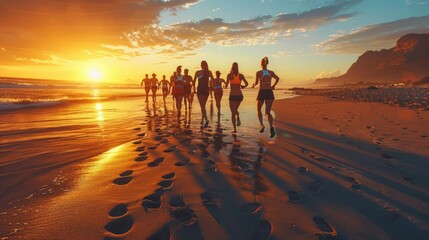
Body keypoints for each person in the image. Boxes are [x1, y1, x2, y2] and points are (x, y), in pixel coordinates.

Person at [252, 56, 280, 138]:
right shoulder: (271, 72)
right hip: (269, 92)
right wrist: (273, 85)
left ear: (261, 64)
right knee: (267, 112)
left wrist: (253, 85)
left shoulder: (258, 73)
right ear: (267, 63)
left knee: (258, 110)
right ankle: (271, 127)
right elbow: (277, 78)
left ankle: (262, 125)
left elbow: (256, 83)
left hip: (262, 92)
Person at [225, 62, 248, 134]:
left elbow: (226, 86)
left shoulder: (229, 75)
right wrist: (243, 86)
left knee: (233, 112)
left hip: (232, 95)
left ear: (232, 67)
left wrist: (223, 83)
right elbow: (247, 84)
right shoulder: (241, 75)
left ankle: (235, 129)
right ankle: (237, 116)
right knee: (235, 110)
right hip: (240, 96)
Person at [193, 60, 214, 128]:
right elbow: (213, 80)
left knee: (202, 106)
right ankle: (203, 119)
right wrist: (212, 87)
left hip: (200, 90)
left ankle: (206, 119)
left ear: (201, 65)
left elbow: (194, 82)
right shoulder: (209, 72)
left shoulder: (198, 72)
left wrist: (193, 90)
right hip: (206, 90)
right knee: (203, 105)